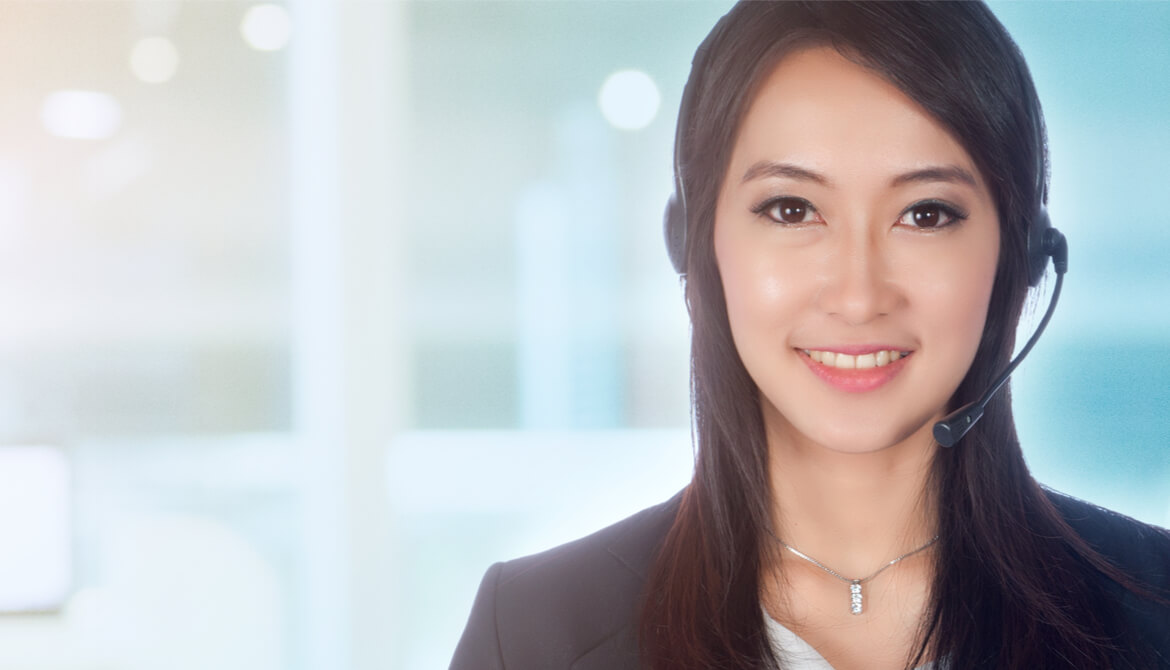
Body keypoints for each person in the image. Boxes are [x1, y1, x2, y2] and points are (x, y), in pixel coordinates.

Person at [450, 2, 1170, 668]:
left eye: (925, 214)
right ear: (698, 251)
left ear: (1019, 259)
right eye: (792, 210)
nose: (858, 297)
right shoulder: (535, 633)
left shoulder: (1155, 610)